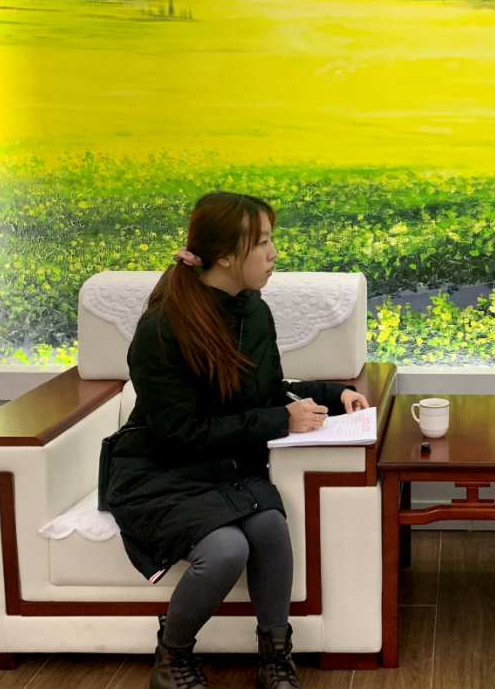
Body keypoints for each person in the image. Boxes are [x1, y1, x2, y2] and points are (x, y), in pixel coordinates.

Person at [104, 192, 369, 689]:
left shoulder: (253, 310)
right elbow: (180, 434)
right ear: (225, 256)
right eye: (262, 242)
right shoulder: (161, 330)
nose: (273, 253)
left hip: (223, 463)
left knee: (269, 527)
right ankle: (172, 658)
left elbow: (265, 391)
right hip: (159, 470)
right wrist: (278, 421)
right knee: (225, 550)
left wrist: (334, 395)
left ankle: (275, 658)